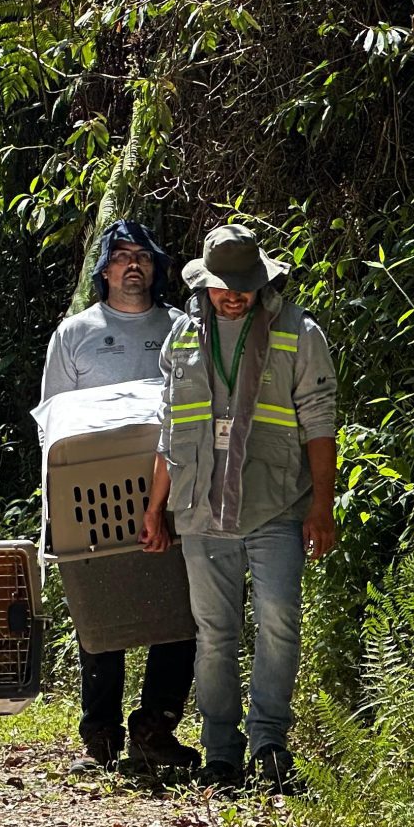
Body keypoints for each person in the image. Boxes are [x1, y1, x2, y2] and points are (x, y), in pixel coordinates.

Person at [142, 223, 338, 793]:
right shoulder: (181, 338)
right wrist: (158, 507)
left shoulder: (298, 332)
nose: (235, 295)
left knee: (278, 624)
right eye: (224, 286)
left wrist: (321, 506)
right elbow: (168, 428)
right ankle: (222, 753)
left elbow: (320, 425)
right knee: (215, 633)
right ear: (204, 284)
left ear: (261, 281)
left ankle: (270, 744)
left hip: (275, 504)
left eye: (244, 285)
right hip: (201, 509)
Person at [40, 220, 199, 772]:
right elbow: (53, 424)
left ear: (156, 269)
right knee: (100, 612)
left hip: (173, 487)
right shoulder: (74, 333)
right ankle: (100, 734)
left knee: (181, 612)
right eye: (122, 256)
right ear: (103, 269)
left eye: (144, 257)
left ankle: (155, 727)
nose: (134, 265)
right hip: (92, 497)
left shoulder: (182, 328)